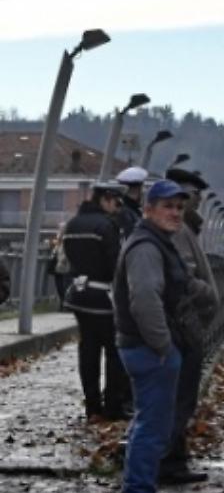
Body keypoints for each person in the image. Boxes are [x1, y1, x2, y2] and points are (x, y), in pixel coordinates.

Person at [114, 180, 193, 493]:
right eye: (167, 206)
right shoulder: (146, 248)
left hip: (146, 347)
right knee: (152, 427)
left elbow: (178, 283)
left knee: (147, 424)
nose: (175, 213)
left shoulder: (155, 242)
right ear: (148, 209)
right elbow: (145, 299)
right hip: (150, 350)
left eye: (179, 207)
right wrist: (163, 346)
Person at [158, 168, 219, 485]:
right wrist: (206, 296)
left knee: (180, 397)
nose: (194, 203)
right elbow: (183, 278)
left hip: (183, 326)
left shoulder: (184, 229)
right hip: (183, 327)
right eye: (192, 197)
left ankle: (175, 458)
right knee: (179, 398)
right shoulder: (180, 231)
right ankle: (169, 462)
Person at [61, 181, 131, 422]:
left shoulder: (73, 224)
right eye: (116, 202)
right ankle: (112, 406)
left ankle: (92, 407)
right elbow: (116, 265)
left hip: (79, 295)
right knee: (114, 352)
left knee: (88, 351)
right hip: (104, 297)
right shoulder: (107, 226)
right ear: (105, 199)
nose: (118, 208)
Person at [115, 166, 149, 238]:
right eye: (143, 187)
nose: (144, 191)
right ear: (138, 189)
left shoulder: (125, 208)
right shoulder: (126, 212)